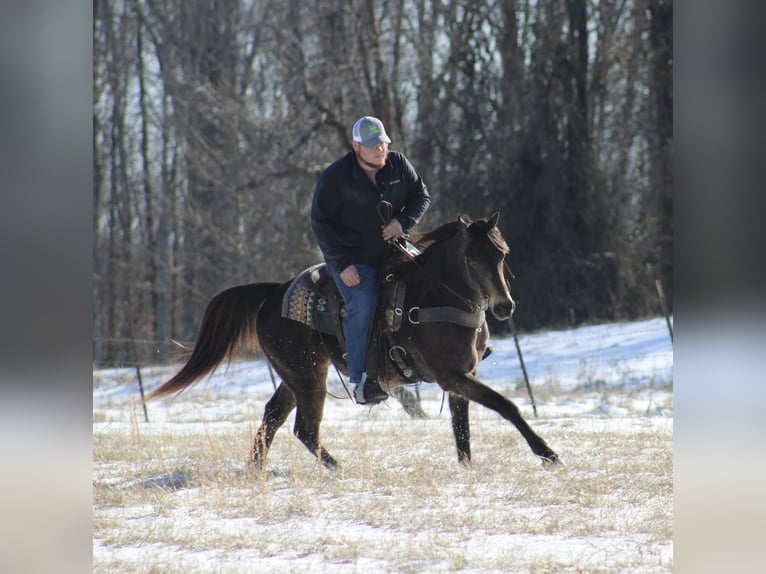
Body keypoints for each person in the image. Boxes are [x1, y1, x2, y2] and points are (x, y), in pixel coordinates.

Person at [311, 116, 431, 404]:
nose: (380, 150)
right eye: (372, 145)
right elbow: (321, 223)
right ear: (356, 146)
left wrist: (403, 222)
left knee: (433, 277)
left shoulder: (399, 164)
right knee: (363, 305)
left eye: (383, 143)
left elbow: (421, 196)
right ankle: (361, 381)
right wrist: (341, 265)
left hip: (395, 250)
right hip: (353, 260)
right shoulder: (335, 178)